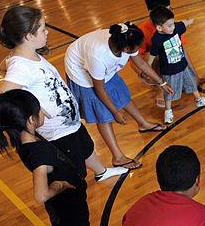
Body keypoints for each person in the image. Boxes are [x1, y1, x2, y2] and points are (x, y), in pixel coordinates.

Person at [0, 5, 126, 183]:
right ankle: (76, 188)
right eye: (42, 29)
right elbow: (1, 96)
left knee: (85, 146)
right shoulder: (20, 66)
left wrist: (7, 64)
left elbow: (6, 64)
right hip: (58, 132)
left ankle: (101, 171)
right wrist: (35, 107)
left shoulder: (23, 56)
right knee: (73, 168)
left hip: (69, 124)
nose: (47, 32)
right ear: (28, 36)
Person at [0, 89, 101, 226]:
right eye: (40, 110)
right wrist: (58, 186)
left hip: (61, 210)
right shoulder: (38, 155)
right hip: (71, 211)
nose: (43, 112)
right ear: (31, 120)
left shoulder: (26, 141)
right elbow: (40, 196)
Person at [64, 23, 171, 170]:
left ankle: (143, 124)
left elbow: (140, 62)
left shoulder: (125, 36)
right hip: (81, 70)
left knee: (120, 93)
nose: (138, 50)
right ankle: (118, 157)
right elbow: (99, 89)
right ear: (126, 49)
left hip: (98, 66)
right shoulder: (99, 57)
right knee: (103, 114)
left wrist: (161, 82)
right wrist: (115, 112)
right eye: (136, 48)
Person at [131, 0, 205, 108]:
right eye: (166, 10)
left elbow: (183, 51)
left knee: (175, 51)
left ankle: (183, 80)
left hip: (174, 65)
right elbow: (134, 59)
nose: (170, 12)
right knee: (157, 53)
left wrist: (195, 75)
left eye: (170, 9)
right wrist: (143, 73)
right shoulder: (142, 31)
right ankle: (160, 90)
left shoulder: (171, 27)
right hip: (153, 68)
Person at [148, 6, 205, 125]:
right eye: (169, 25)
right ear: (159, 27)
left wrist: (190, 20)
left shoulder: (176, 28)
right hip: (169, 71)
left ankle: (198, 99)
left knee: (192, 83)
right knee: (169, 92)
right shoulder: (157, 39)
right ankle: (168, 111)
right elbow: (152, 55)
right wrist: (147, 67)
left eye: (173, 23)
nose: (173, 27)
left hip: (183, 66)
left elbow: (183, 23)